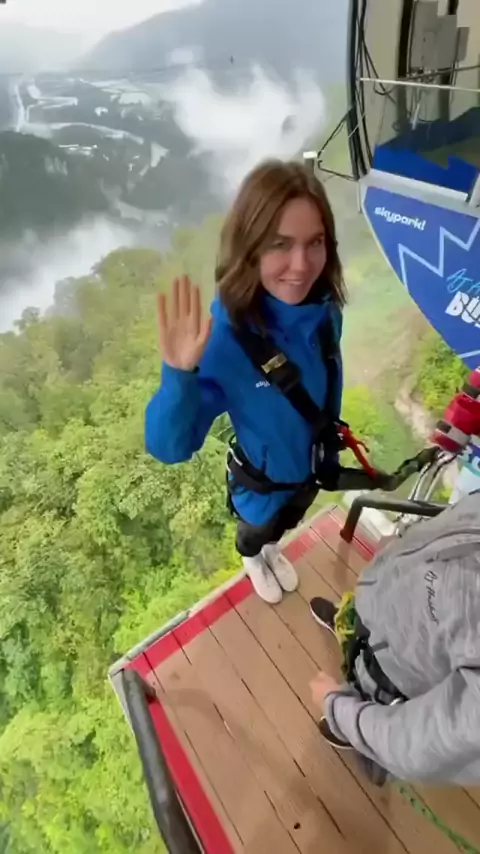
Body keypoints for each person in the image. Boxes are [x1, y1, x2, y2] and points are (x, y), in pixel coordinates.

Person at [145, 158, 347, 604]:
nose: (301, 265)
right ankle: (253, 558)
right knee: (256, 533)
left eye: (314, 242)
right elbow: (170, 447)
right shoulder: (228, 340)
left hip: (312, 468)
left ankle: (271, 548)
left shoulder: (324, 311)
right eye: (280, 244)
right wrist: (178, 377)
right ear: (250, 248)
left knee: (286, 523)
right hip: (262, 486)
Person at [308, 490, 480, 786]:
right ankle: (349, 629)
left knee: (370, 710)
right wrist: (401, 546)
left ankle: (358, 735)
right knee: (361, 635)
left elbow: (422, 743)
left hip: (396, 677)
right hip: (382, 604)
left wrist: (337, 708)